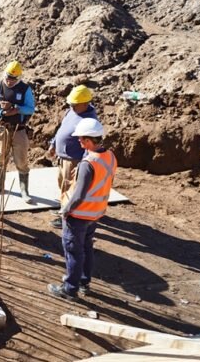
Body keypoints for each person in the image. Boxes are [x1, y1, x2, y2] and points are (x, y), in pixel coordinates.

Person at [47, 118, 117, 301]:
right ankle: (84, 282)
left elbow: (79, 195)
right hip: (95, 212)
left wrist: (65, 211)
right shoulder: (109, 156)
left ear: (88, 140)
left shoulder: (88, 164)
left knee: (73, 251)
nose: (78, 142)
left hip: (78, 214)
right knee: (86, 247)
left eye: (80, 139)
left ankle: (70, 289)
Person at [0, 61, 36, 203]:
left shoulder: (25, 89)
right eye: (8, 77)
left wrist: (16, 108)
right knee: (0, 159)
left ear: (18, 78)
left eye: (13, 79)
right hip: (3, 128)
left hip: (19, 129)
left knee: (22, 160)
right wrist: (0, 111)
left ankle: (24, 191)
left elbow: (31, 108)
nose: (9, 81)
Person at [48, 85, 98, 228]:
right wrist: (53, 143)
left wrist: (83, 164)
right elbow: (61, 129)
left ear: (85, 103)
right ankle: (63, 208)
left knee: (71, 188)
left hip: (75, 159)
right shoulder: (72, 111)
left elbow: (89, 145)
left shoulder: (89, 121)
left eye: (74, 104)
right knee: (62, 184)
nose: (71, 106)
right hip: (63, 157)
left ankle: (66, 216)